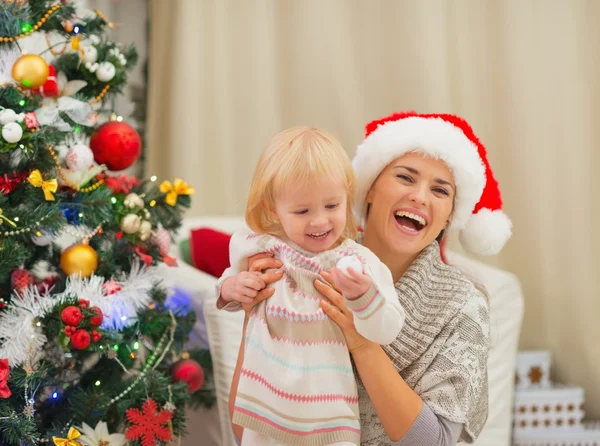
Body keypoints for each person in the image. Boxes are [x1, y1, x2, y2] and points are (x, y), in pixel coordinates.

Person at [221, 111, 512, 445]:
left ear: (449, 215)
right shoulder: (299, 266)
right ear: (368, 189)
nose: (420, 196)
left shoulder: (464, 306)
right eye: (405, 177)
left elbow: (436, 442)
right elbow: (245, 428)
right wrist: (253, 312)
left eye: (440, 190)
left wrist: (360, 340)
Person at [216, 126, 406, 446]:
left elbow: (387, 329)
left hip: (329, 415)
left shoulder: (358, 262)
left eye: (332, 206)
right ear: (272, 209)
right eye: (303, 211)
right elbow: (226, 291)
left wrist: (363, 296)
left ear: (347, 195)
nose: (319, 221)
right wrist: (232, 288)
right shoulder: (259, 247)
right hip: (265, 407)